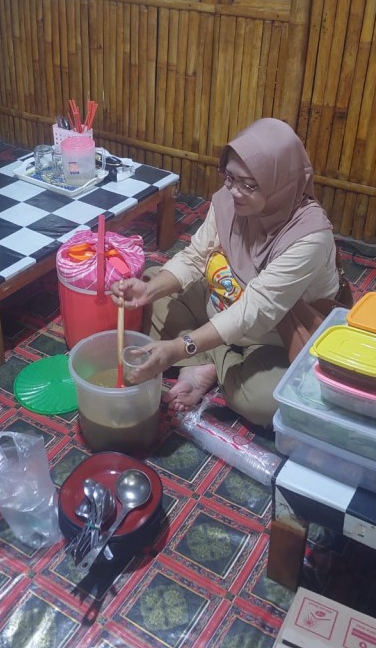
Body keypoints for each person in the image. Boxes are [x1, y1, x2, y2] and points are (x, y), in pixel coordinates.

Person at [112, 118, 346, 427]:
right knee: (153, 285)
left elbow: (255, 311)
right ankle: (207, 357)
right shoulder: (230, 200)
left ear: (280, 184)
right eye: (229, 177)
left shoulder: (309, 237)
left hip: (273, 336)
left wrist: (180, 348)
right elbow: (196, 257)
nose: (234, 191)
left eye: (249, 185)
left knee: (265, 402)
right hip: (222, 299)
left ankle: (204, 359)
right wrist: (149, 291)